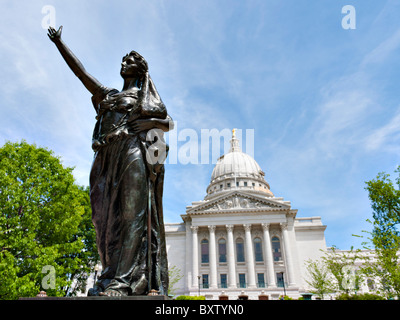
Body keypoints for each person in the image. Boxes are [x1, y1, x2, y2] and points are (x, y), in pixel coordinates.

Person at [48, 26, 172, 296]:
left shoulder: (144, 97)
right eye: (123, 59)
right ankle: (109, 275)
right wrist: (60, 42)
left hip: (132, 153)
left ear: (140, 71)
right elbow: (81, 74)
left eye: (130, 61)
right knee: (102, 219)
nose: (124, 62)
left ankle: (124, 281)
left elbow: (166, 123)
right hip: (105, 158)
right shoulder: (109, 94)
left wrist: (147, 123)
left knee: (132, 216)